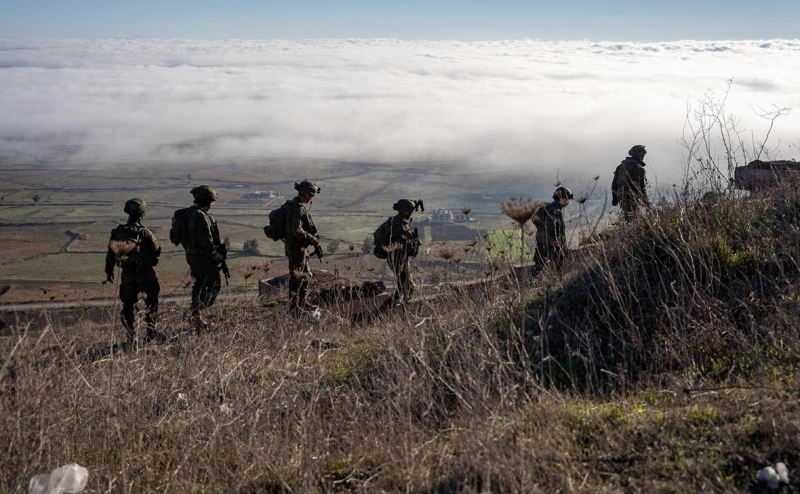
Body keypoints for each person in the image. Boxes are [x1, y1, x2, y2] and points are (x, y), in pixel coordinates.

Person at [105, 198, 163, 348]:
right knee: (152, 302)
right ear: (142, 214)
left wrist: (109, 271)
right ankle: (151, 334)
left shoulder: (117, 231)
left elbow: (110, 253)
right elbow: (157, 251)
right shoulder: (145, 232)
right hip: (144, 273)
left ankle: (131, 336)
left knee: (128, 305)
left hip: (127, 275)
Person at [183, 185, 228, 333]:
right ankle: (193, 311)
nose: (212, 204)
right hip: (203, 257)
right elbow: (207, 242)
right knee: (214, 285)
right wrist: (217, 257)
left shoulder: (188, 213)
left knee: (199, 285)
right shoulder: (201, 216)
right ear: (206, 201)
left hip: (192, 255)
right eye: (211, 201)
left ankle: (196, 317)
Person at [283, 180, 322, 316]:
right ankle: (294, 308)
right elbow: (297, 231)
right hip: (296, 249)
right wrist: (313, 239)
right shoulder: (297, 209)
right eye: (310, 195)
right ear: (304, 193)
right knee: (296, 279)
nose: (311, 198)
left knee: (306, 275)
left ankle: (302, 302)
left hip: (299, 249)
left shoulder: (294, 206)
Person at [374, 199, 422, 305]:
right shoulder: (398, 224)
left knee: (405, 279)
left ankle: (404, 297)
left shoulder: (395, 221)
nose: (409, 214)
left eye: (410, 212)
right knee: (403, 277)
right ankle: (398, 298)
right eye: (407, 212)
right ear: (402, 211)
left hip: (395, 255)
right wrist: (415, 241)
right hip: (396, 256)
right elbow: (406, 243)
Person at [532, 186, 573, 275]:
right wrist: (556, 242)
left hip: (541, 240)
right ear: (561, 198)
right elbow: (550, 226)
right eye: (567, 198)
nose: (568, 201)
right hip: (550, 243)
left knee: (539, 264)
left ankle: (530, 283)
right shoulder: (555, 210)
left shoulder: (548, 206)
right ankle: (559, 282)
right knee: (559, 262)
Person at [612, 144, 651, 221]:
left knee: (628, 216)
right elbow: (641, 187)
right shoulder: (638, 168)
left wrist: (615, 198)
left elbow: (614, 184)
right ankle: (630, 232)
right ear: (639, 156)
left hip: (621, 195)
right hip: (631, 196)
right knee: (633, 218)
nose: (643, 157)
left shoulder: (620, 166)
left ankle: (626, 230)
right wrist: (646, 202)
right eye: (642, 155)